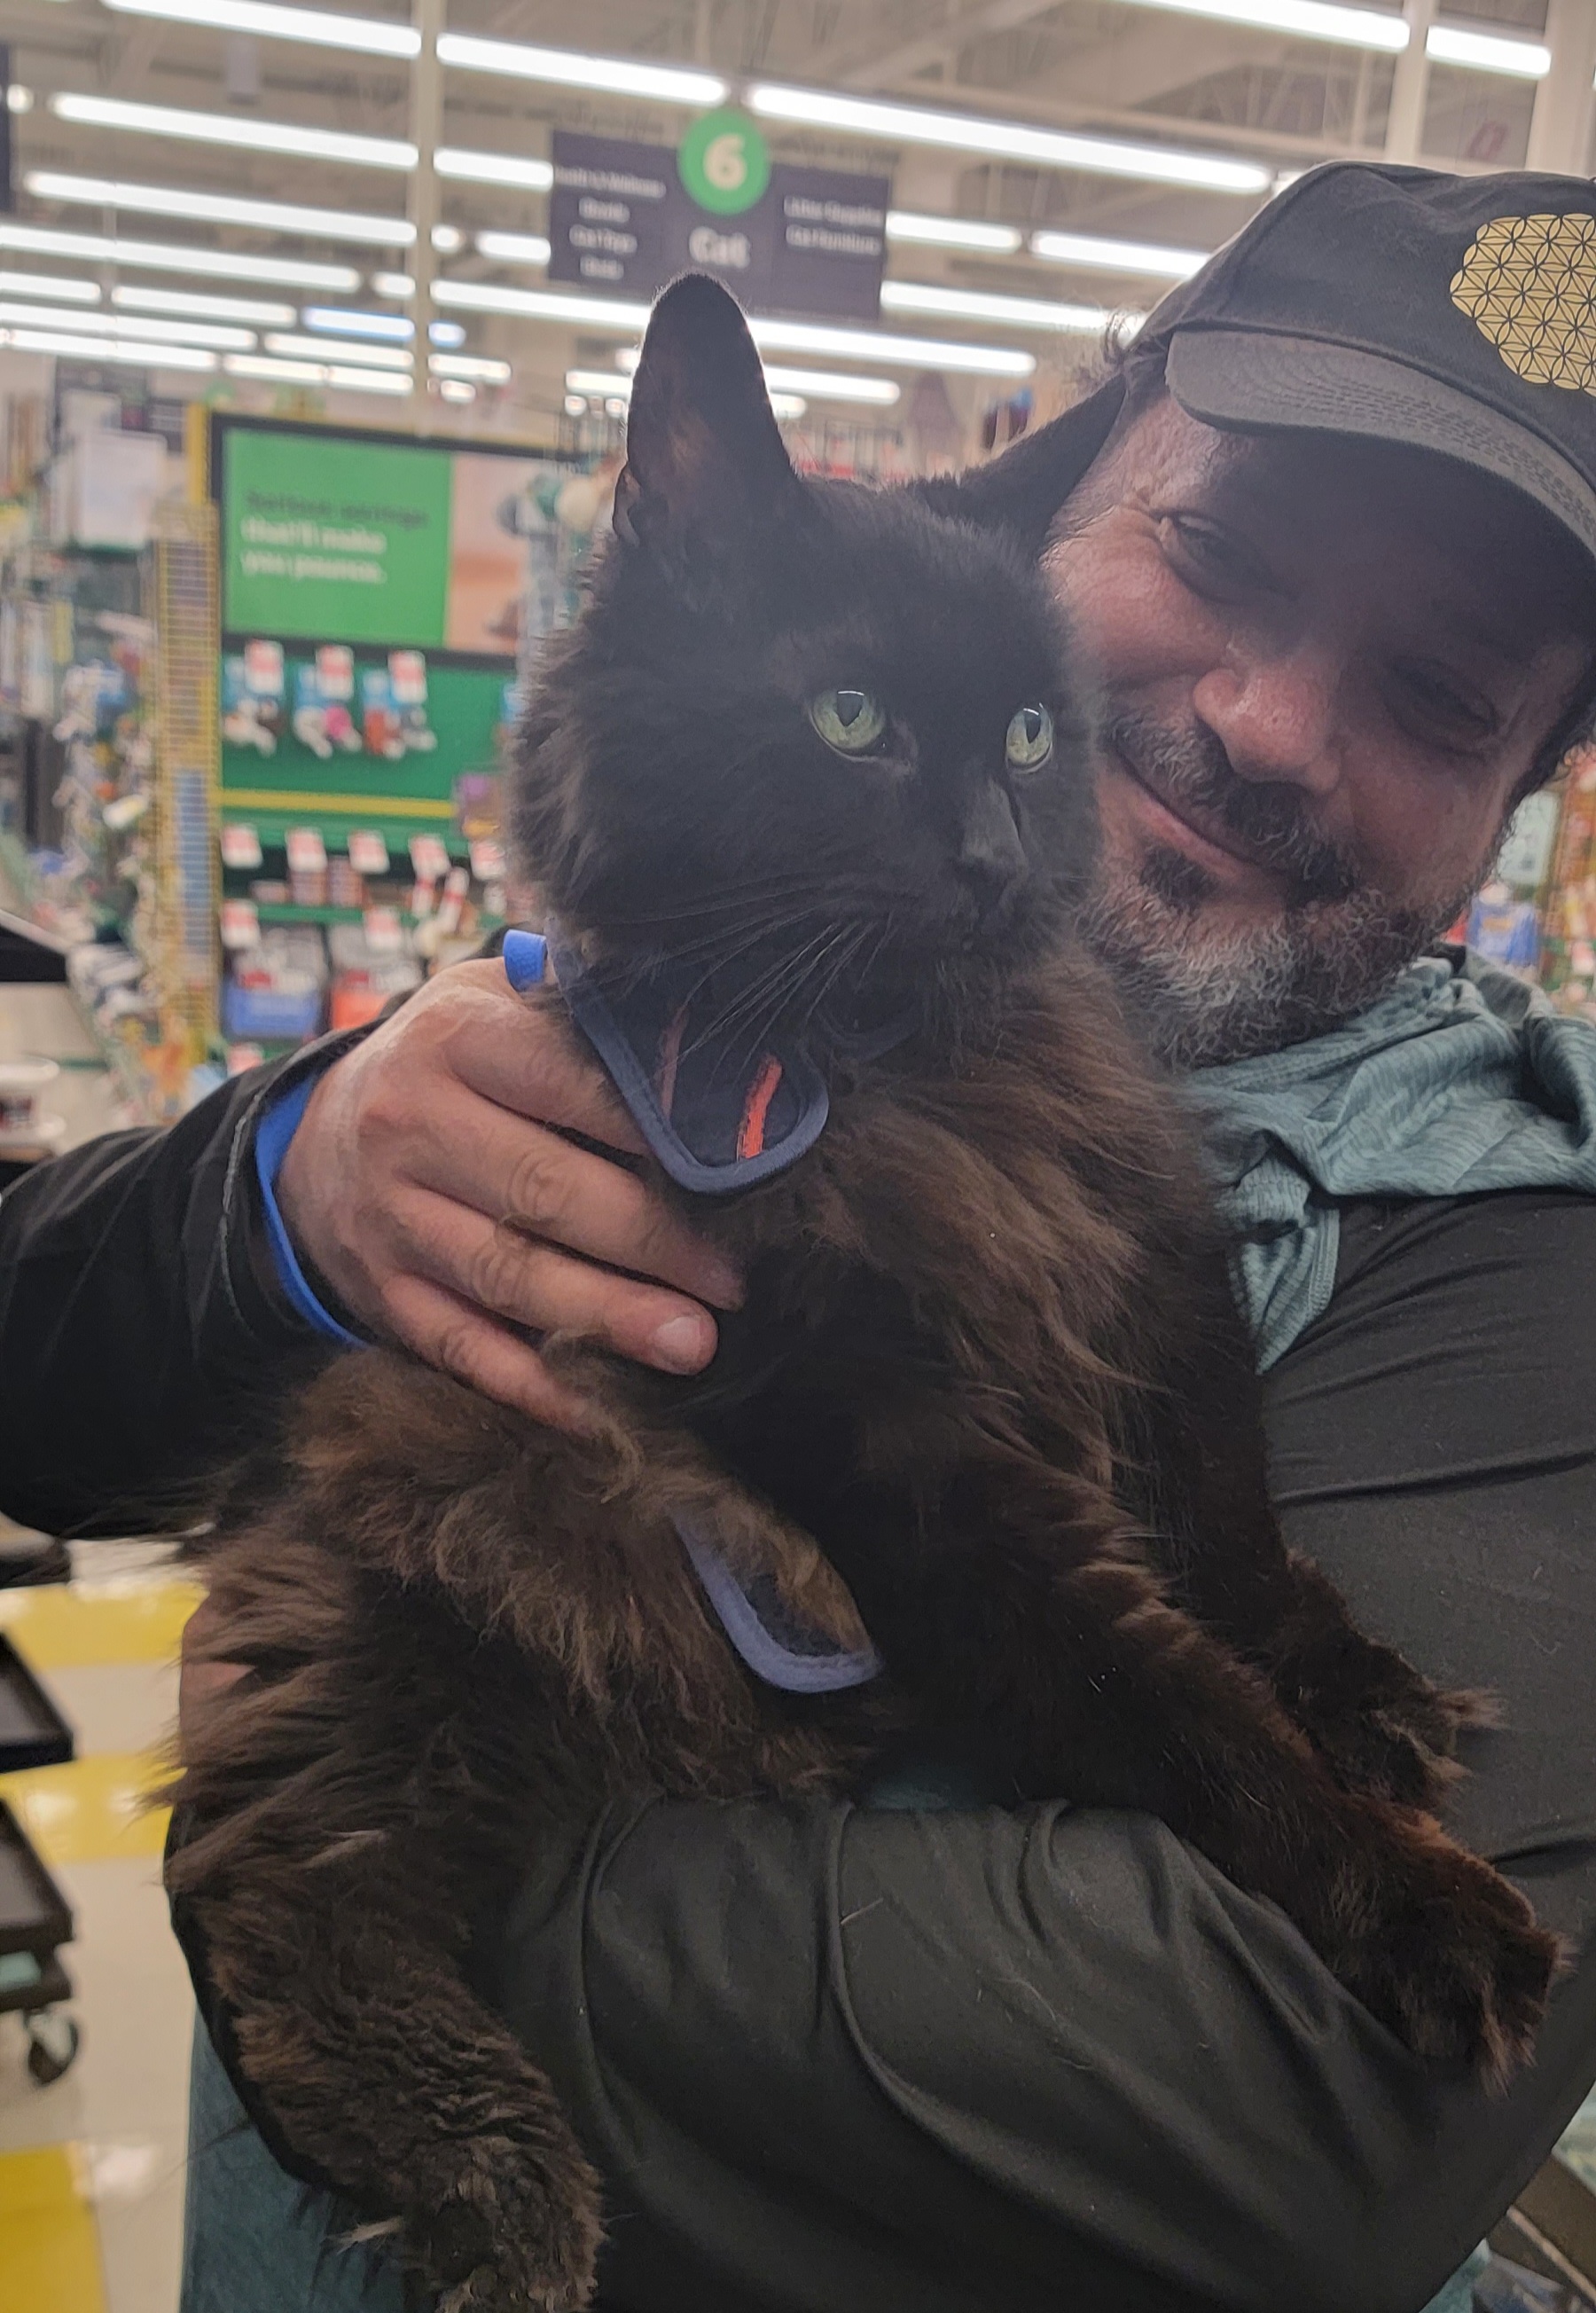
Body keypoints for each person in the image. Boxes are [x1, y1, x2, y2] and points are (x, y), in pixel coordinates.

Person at [4, 160, 1594, 2312]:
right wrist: (275, 1190)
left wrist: (335, 1851)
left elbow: (1269, 2134)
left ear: (1525, 795)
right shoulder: (685, 907)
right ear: (1066, 493)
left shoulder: (1528, 1274)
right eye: (1220, 554)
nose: (1266, 721)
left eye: (1435, 695)